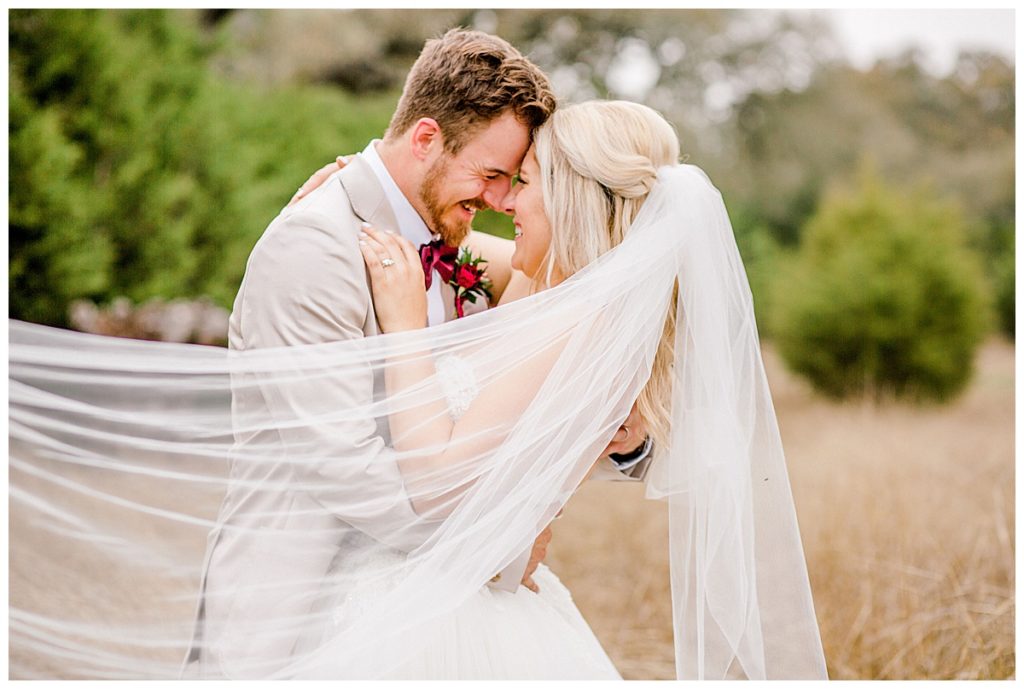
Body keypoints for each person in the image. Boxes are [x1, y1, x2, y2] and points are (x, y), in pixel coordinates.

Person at [183, 29, 653, 679]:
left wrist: (624, 437)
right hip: (300, 611)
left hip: (420, 611)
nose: (498, 200)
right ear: (426, 139)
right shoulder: (316, 246)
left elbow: (577, 281)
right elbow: (348, 468)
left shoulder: (443, 236)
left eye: (515, 181)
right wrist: (498, 550)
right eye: (492, 175)